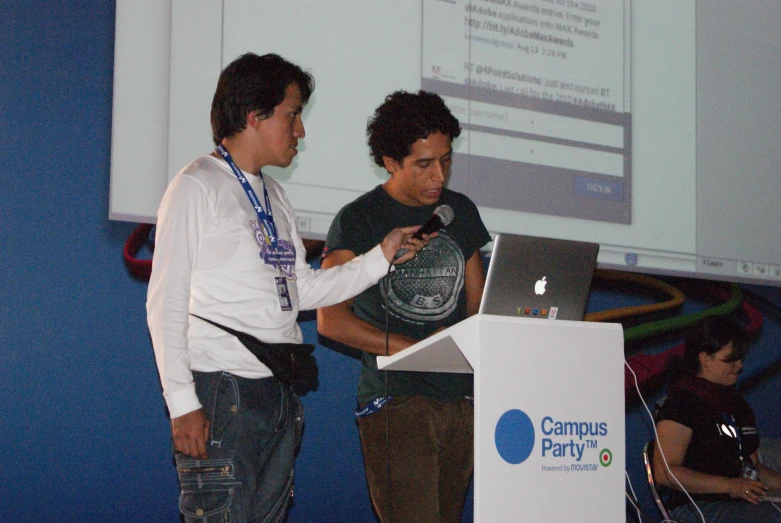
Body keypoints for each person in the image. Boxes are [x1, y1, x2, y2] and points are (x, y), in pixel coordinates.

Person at [146, 53, 429, 522]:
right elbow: (165, 301)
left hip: (277, 395)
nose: (300, 131)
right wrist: (182, 403)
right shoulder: (198, 186)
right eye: (293, 115)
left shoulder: (274, 195)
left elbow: (303, 290)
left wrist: (382, 256)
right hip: (222, 392)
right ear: (255, 115)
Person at [317, 90, 491, 522]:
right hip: (398, 400)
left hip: (462, 400)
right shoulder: (359, 219)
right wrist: (410, 346)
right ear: (390, 162)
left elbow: (477, 307)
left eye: (446, 160)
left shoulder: (460, 211)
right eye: (424, 164)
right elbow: (330, 320)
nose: (439, 176)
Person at [653, 315, 781, 523]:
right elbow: (666, 473)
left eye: (741, 358)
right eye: (730, 359)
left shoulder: (738, 406)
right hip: (696, 505)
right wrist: (730, 485)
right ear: (705, 358)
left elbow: (754, 467)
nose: (739, 365)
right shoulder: (681, 404)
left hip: (741, 502)